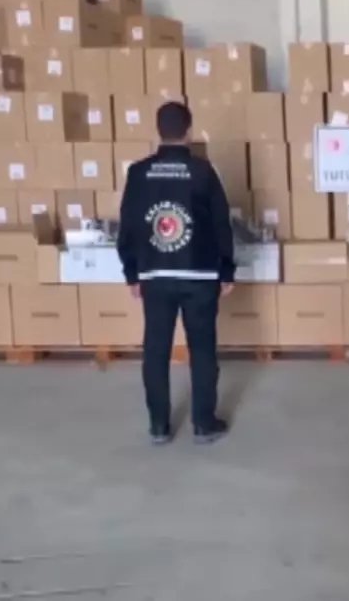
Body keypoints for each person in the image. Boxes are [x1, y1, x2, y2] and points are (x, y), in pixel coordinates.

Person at [117, 102, 235, 445]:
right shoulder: (202, 171)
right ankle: (203, 424)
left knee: (156, 350)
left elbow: (128, 227)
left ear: (158, 130)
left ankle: (159, 425)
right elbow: (221, 224)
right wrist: (226, 269)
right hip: (200, 275)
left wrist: (131, 273)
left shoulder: (138, 173)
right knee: (202, 349)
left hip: (155, 275)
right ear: (189, 130)